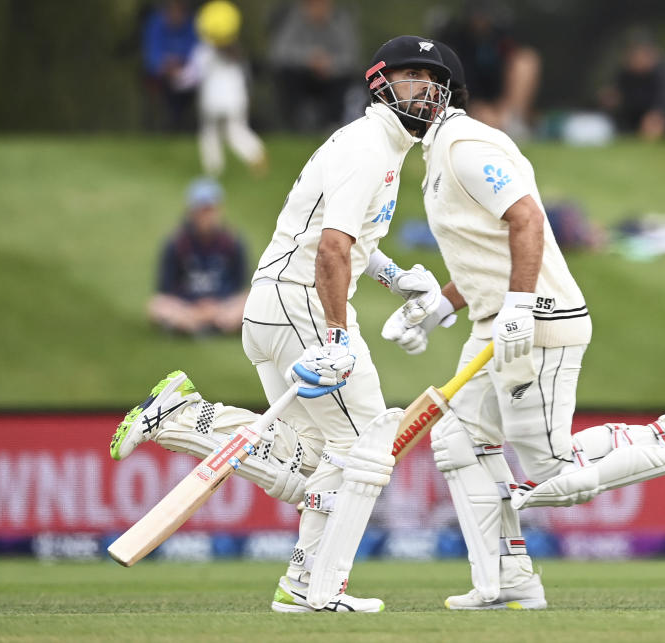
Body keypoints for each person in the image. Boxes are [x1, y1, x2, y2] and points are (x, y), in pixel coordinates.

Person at [380, 43, 665, 610]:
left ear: (446, 87)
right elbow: (486, 253)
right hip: (495, 323)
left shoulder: (466, 145)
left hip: (537, 323)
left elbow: (526, 218)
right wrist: (440, 307)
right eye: (404, 76)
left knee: (554, 472)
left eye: (422, 76)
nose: (412, 87)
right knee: (457, 441)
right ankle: (507, 583)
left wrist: (521, 305)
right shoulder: (437, 154)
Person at [113, 35, 452, 613]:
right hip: (301, 303)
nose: (425, 89)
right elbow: (331, 248)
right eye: (411, 76)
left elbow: (350, 239)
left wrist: (395, 277)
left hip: (271, 305)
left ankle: (189, 424)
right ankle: (323, 587)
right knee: (369, 443)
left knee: (315, 460)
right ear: (380, 82)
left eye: (432, 79)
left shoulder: (378, 148)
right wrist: (340, 338)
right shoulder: (370, 146)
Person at [148, 177, 249, 336]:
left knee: (250, 302)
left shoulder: (232, 242)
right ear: (191, 212)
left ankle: (198, 326)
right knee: (157, 306)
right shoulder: (177, 243)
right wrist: (195, 309)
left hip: (223, 306)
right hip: (188, 307)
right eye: (202, 210)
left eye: (210, 210)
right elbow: (165, 291)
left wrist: (216, 307)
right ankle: (203, 325)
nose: (207, 216)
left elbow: (241, 287)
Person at [175, 0, 267, 175]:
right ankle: (255, 153)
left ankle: (213, 169)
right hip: (236, 101)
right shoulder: (237, 54)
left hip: (212, 103)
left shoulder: (203, 52)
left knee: (209, 135)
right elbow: (246, 78)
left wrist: (176, 79)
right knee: (236, 131)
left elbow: (191, 76)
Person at [435, 1, 541, 139]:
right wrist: (472, 106)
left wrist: (502, 107)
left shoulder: (502, 36)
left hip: (501, 103)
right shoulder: (456, 39)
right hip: (468, 103)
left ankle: (514, 122)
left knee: (526, 60)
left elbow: (512, 69)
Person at [268, 0, 359, 132]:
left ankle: (333, 124)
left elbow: (351, 57)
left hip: (333, 76)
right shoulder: (294, 19)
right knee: (285, 75)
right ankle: (294, 125)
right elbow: (279, 53)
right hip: (302, 74)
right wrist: (309, 59)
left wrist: (329, 63)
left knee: (346, 80)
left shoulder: (341, 21)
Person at [598, 29, 665, 141]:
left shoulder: (662, 74)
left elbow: (664, 100)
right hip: (633, 117)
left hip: (660, 116)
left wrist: (655, 117)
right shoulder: (624, 74)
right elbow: (617, 96)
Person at [141, 0, 198, 131]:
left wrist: (181, 64)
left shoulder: (192, 25)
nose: (176, 15)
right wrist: (166, 66)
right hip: (162, 75)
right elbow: (152, 55)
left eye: (180, 11)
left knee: (187, 86)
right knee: (168, 89)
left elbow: (196, 53)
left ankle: (180, 123)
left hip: (186, 74)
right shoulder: (155, 24)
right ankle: (172, 124)